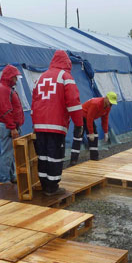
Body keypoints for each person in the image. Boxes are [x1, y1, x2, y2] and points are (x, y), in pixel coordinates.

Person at [31, 50, 84, 196]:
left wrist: (34, 124)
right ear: (67, 62)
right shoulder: (65, 77)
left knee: (42, 156)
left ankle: (44, 184)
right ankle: (52, 187)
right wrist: (79, 124)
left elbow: (34, 103)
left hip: (40, 126)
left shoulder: (40, 77)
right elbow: (74, 103)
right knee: (55, 156)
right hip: (56, 126)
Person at [0, 64, 24, 183]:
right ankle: (4, 179)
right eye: (15, 77)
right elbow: (6, 110)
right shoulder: (3, 89)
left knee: (11, 153)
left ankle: (10, 176)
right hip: (8, 126)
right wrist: (12, 128)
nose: (16, 80)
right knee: (7, 153)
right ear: (10, 77)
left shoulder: (7, 88)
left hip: (11, 126)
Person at [70, 91, 118, 165]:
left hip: (89, 118)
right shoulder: (95, 104)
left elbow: (105, 119)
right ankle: (73, 160)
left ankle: (94, 157)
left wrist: (106, 132)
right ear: (106, 98)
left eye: (112, 103)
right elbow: (90, 118)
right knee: (78, 137)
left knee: (95, 137)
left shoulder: (108, 107)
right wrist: (91, 132)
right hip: (81, 116)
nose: (110, 104)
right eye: (110, 102)